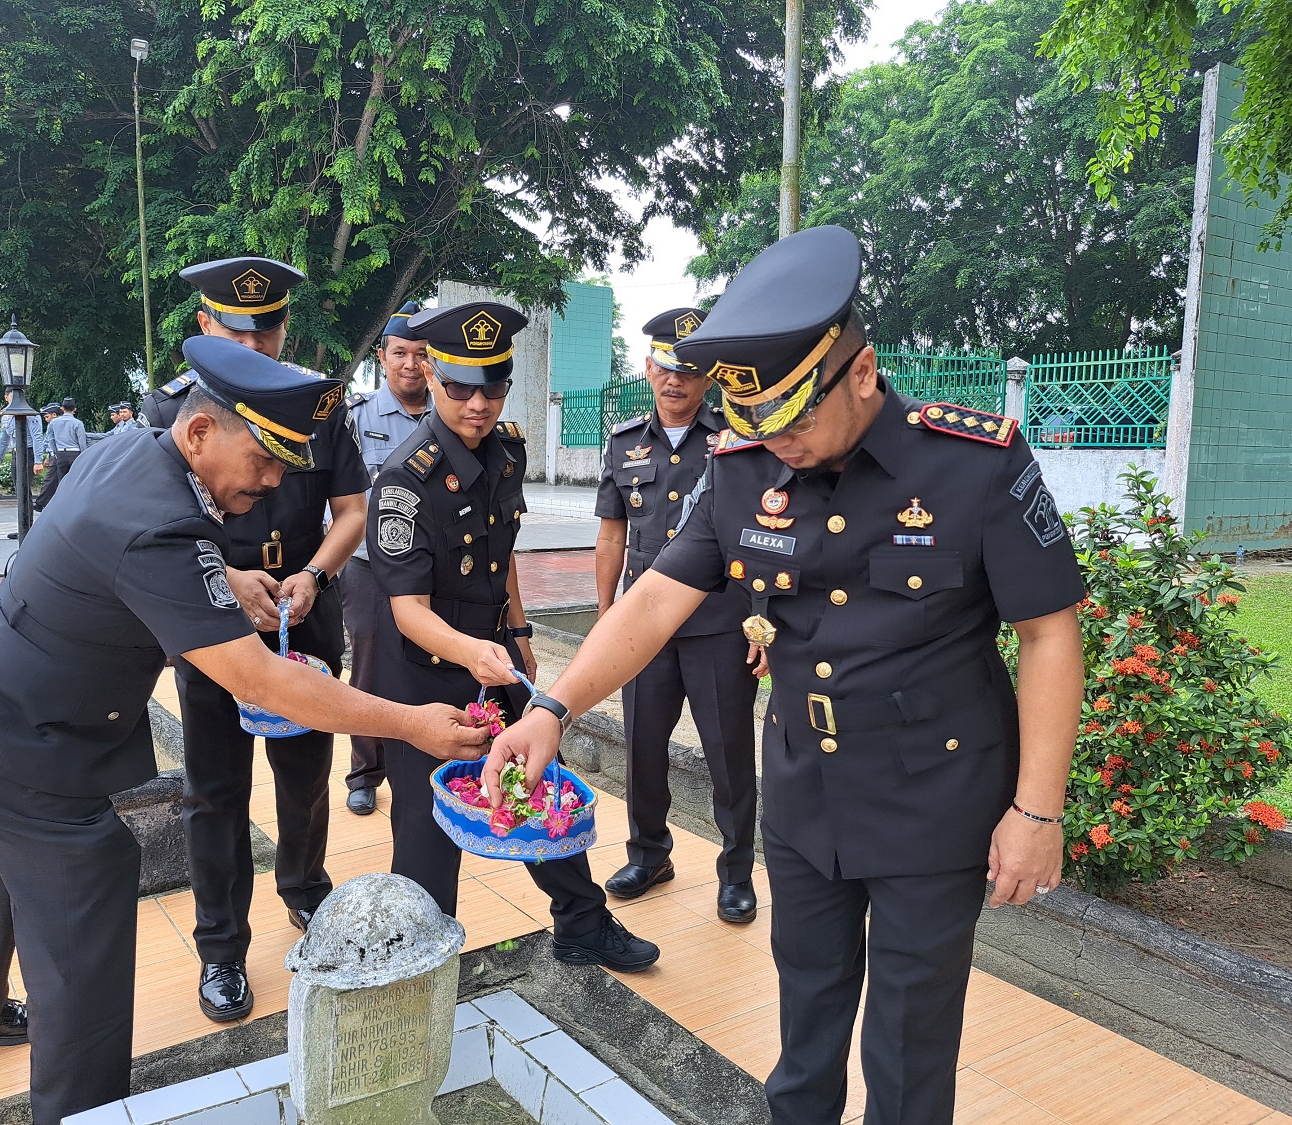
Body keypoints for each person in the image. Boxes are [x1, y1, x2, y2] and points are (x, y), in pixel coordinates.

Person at [484, 225, 1086, 1125]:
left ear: (863, 371)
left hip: (937, 798)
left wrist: (1037, 810)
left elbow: (1048, 632)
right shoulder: (741, 469)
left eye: (796, 417)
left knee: (909, 1044)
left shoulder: (973, 464)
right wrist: (550, 707)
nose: (781, 442)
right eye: (758, 420)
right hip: (806, 792)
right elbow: (653, 601)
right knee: (805, 1020)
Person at [0, 335, 488, 1125]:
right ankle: (83, 1110)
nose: (278, 480)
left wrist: (227, 581)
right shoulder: (162, 527)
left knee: (9, 864)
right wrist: (408, 724)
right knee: (83, 891)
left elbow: (137, 568)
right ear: (200, 433)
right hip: (18, 741)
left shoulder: (135, 453)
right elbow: (264, 680)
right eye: (266, 458)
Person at [368, 301, 661, 973]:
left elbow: (501, 557)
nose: (478, 403)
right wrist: (474, 649)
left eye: (493, 386)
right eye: (461, 388)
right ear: (433, 380)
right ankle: (417, 962)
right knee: (428, 824)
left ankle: (582, 924)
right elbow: (407, 609)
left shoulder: (506, 452)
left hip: (495, 653)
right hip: (423, 670)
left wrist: (519, 630)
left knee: (533, 783)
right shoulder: (403, 480)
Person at [147, 256, 369, 1024]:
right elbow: (163, 521)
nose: (254, 345)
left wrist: (312, 574)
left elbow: (351, 511)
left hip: (304, 608)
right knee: (214, 787)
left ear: (284, 328)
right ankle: (221, 949)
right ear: (206, 328)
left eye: (266, 330)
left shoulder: (320, 404)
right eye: (235, 331)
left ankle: (307, 892)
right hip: (210, 612)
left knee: (307, 771)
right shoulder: (167, 410)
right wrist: (226, 573)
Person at [594, 307, 763, 923]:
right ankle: (648, 853)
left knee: (727, 750)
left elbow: (762, 531)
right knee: (642, 745)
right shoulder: (622, 444)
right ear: (647, 368)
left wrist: (761, 620)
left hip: (719, 624)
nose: (676, 382)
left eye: (690, 372)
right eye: (666, 368)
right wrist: (607, 614)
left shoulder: (737, 441)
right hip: (644, 627)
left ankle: (737, 869)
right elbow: (612, 536)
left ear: (709, 378)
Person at [340, 300, 431, 815]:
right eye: (400, 353)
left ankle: (420, 760)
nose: (411, 365)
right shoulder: (356, 418)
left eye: (421, 354)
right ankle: (365, 770)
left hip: (432, 570)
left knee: (427, 665)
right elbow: (343, 502)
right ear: (383, 355)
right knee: (371, 668)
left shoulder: (450, 415)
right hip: (371, 569)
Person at [34, 396, 87, 511]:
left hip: (60, 454)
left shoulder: (54, 423)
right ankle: (75, 504)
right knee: (76, 479)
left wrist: (54, 452)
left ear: (62, 408)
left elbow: (50, 439)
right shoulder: (78, 423)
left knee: (61, 481)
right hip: (75, 453)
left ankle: (62, 505)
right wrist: (84, 455)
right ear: (75, 409)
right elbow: (82, 441)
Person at [0, 390, 45, 477]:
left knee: (25, 485)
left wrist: (38, 461)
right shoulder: (5, 417)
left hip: (29, 453)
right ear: (6, 398)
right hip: (16, 453)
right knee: (17, 485)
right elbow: (3, 441)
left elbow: (37, 438)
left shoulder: (31, 415)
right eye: (12, 397)